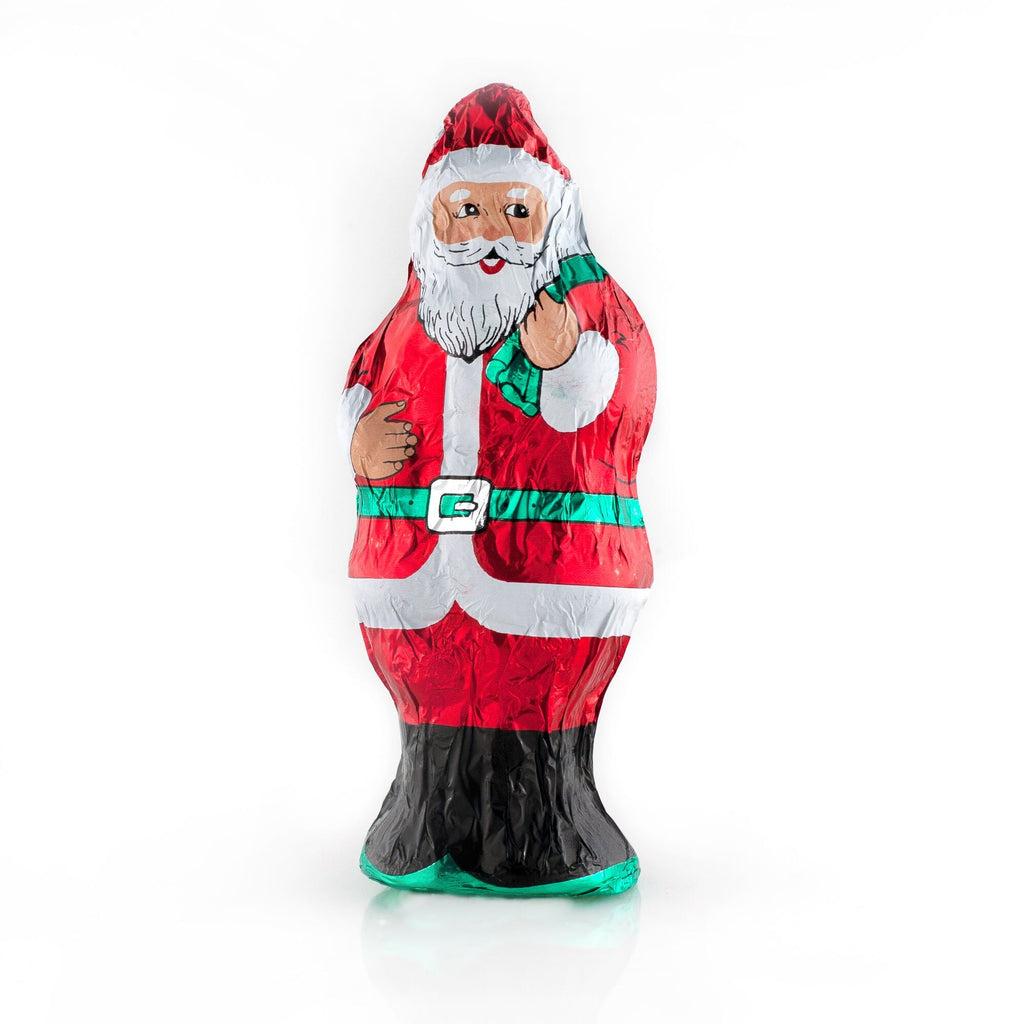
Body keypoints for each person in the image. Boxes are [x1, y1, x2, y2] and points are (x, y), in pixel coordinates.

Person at [339, 83, 656, 896]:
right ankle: (425, 823)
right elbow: (364, 388)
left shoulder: (582, 304)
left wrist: (569, 362)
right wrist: (361, 443)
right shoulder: (409, 320)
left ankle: (547, 834)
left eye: (515, 212)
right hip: (417, 576)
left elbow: (620, 396)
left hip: (542, 571)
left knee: (533, 725)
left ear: (551, 215)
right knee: (433, 716)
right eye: (467, 211)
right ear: (433, 217)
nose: (489, 233)